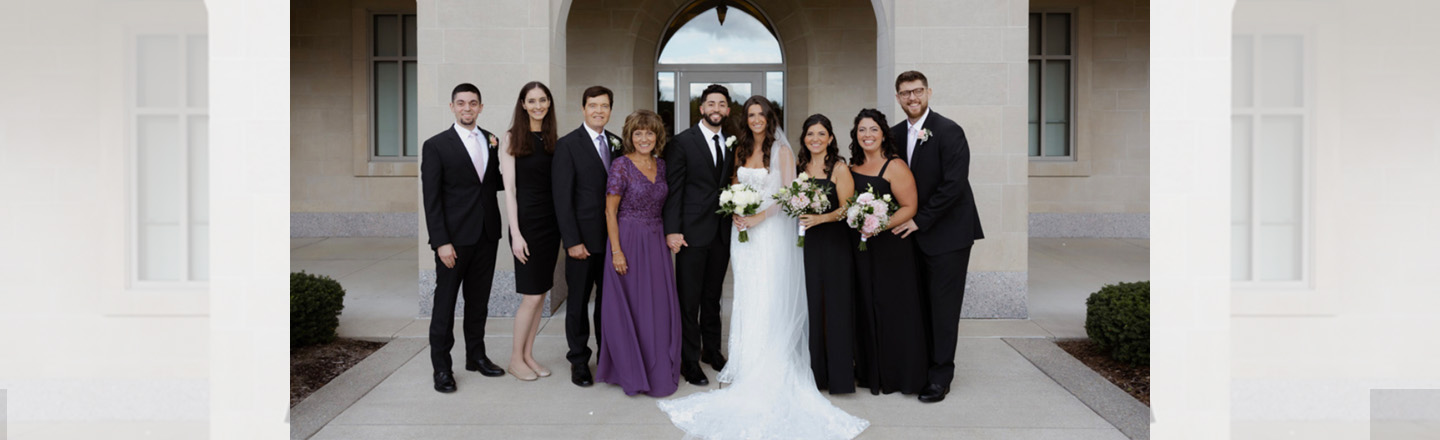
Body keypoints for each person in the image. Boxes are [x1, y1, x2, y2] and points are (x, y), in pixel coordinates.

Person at [658, 97, 869, 439]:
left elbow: (786, 197)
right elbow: (733, 187)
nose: (756, 119)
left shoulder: (782, 153)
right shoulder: (739, 150)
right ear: (745, 119)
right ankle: (745, 362)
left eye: (762, 114)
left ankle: (769, 365)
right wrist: (736, 207)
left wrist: (756, 216)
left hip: (769, 234)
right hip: (743, 236)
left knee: (769, 296)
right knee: (747, 295)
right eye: (751, 114)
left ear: (771, 119)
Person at [887, 71, 985, 403]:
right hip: (910, 235)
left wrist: (919, 220)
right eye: (905, 94)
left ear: (928, 92)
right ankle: (918, 369)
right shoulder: (894, 134)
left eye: (917, 92)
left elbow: (954, 185)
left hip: (948, 235)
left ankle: (940, 376)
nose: (912, 98)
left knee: (942, 308)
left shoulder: (948, 131)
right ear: (898, 98)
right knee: (916, 306)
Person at [420, 83, 505, 393]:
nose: (467, 108)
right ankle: (441, 369)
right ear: (452, 107)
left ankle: (476, 356)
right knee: (444, 305)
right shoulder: (436, 145)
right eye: (461, 103)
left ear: (480, 107)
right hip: (453, 241)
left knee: (478, 302)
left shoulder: (491, 140)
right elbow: (432, 199)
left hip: (486, 235)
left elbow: (496, 181)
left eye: (473, 103)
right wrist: (441, 242)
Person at [594, 110, 682, 397]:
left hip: (655, 240)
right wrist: (616, 251)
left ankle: (655, 365)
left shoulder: (662, 165)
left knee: (656, 306)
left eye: (650, 133)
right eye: (638, 133)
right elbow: (610, 211)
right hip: (628, 239)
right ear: (630, 137)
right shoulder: (621, 165)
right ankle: (631, 370)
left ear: (658, 136)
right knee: (631, 305)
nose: (644, 138)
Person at [848, 109, 928, 396]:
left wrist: (876, 225)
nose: (867, 135)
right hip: (860, 249)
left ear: (883, 134)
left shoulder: (895, 166)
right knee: (865, 307)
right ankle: (871, 373)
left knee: (893, 309)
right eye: (862, 130)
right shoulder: (852, 166)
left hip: (891, 248)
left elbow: (910, 207)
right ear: (855, 135)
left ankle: (898, 375)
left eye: (873, 129)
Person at [662, 84, 734, 386]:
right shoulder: (681, 142)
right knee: (688, 300)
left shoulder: (732, 143)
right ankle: (689, 360)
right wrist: (672, 230)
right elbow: (674, 189)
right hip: (691, 232)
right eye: (710, 104)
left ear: (728, 110)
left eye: (721, 104)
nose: (716, 109)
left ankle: (711, 351)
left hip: (721, 232)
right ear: (701, 108)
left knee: (712, 296)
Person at [552, 86, 621, 387]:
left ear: (610, 110)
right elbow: (562, 198)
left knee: (609, 303)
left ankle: (607, 356)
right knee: (578, 304)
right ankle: (579, 360)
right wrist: (572, 241)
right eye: (593, 105)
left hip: (613, 242)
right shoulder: (568, 145)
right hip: (581, 242)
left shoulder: (617, 142)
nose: (598, 111)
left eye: (604, 106)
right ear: (583, 109)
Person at [497, 81, 560, 381]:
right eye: (531, 100)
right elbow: (509, 190)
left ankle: (528, 355)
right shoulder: (512, 138)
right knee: (531, 297)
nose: (538, 105)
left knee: (542, 294)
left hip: (551, 224)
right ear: (522, 104)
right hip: (527, 225)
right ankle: (514, 359)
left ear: (549, 103)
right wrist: (516, 234)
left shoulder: (552, 138)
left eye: (543, 100)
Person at [793, 113, 858, 394]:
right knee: (812, 306)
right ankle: (815, 374)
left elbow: (848, 207)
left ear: (830, 138)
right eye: (810, 134)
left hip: (834, 243)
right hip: (807, 246)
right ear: (804, 139)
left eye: (821, 134)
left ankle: (839, 377)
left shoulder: (839, 168)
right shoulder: (799, 167)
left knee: (835, 307)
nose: (815, 139)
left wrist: (822, 219)